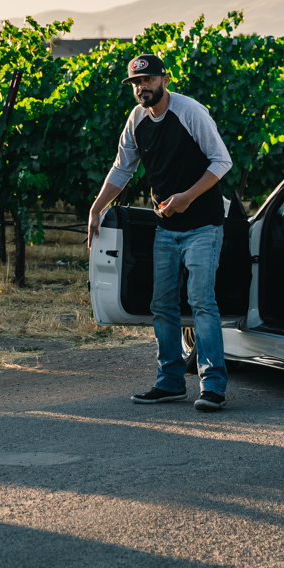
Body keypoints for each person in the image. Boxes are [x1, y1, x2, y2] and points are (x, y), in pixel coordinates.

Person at [86, 52, 235, 411]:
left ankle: (213, 386)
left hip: (202, 224)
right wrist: (97, 207)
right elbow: (122, 169)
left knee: (201, 301)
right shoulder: (136, 119)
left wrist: (186, 197)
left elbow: (222, 161)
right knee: (162, 305)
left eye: (148, 80)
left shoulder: (190, 112)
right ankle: (169, 382)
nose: (142, 87)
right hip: (165, 226)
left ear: (164, 79)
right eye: (136, 83)